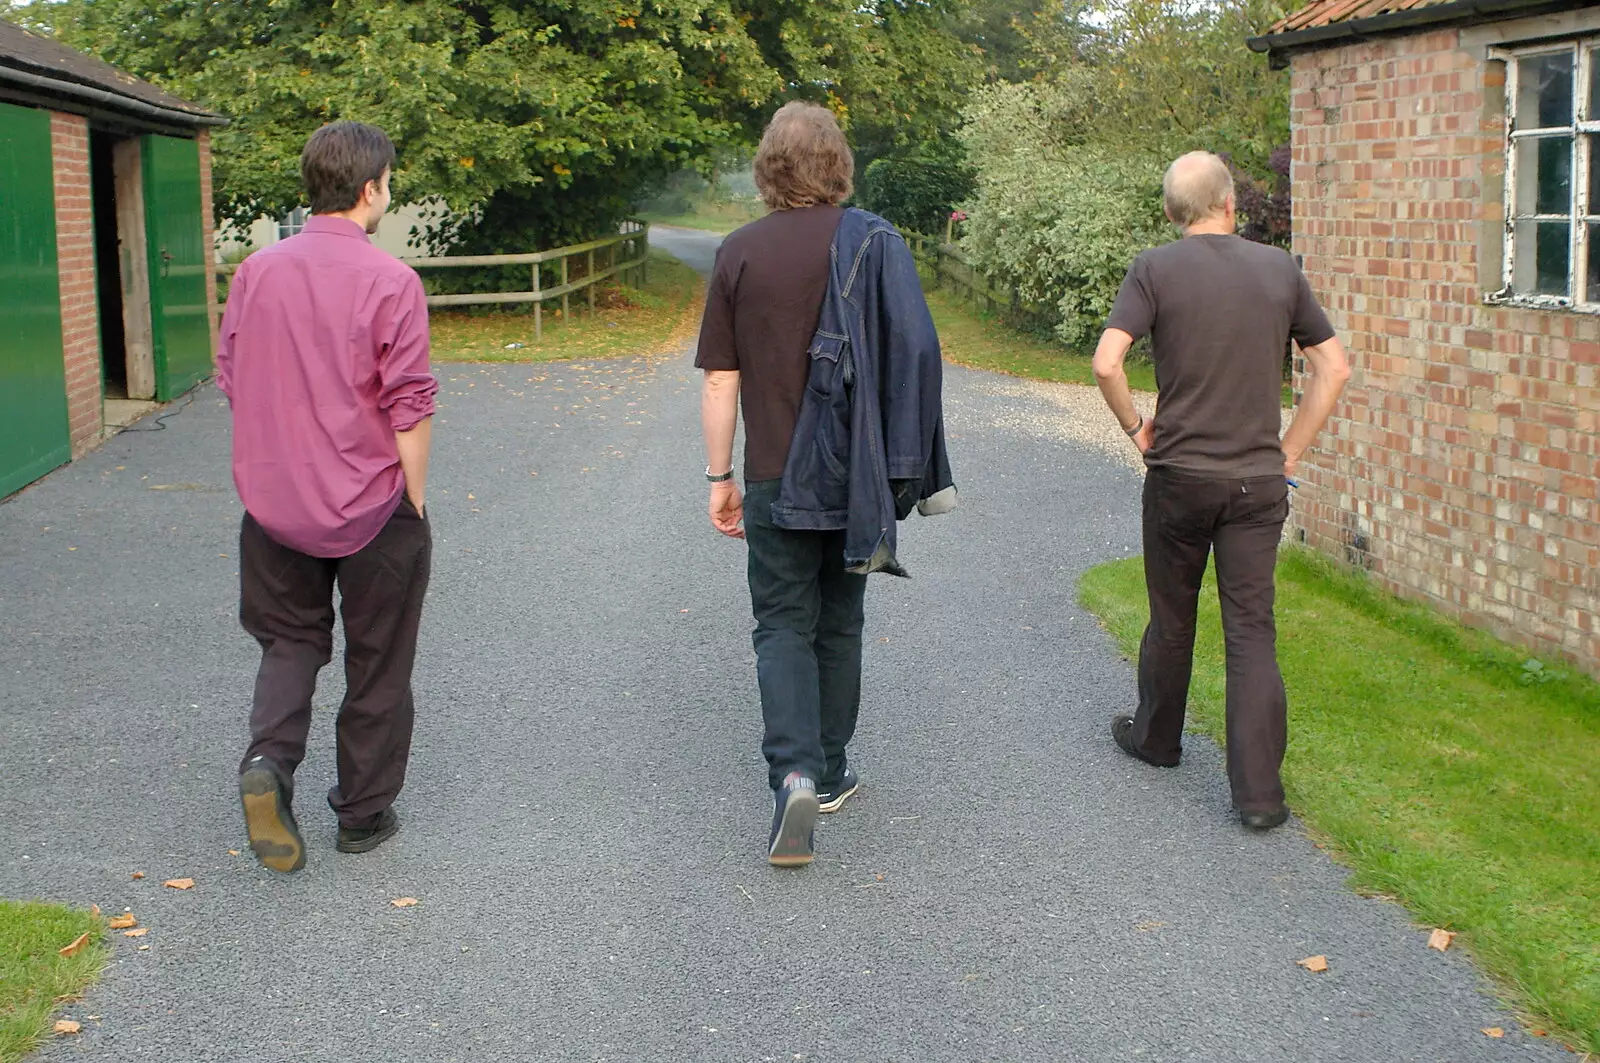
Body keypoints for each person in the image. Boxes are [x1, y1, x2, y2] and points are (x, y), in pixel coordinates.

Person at [696, 102, 953, 867]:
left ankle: (795, 772)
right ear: (838, 164)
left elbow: (720, 380)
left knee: (781, 622)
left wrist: (720, 476)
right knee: (839, 621)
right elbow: (919, 352)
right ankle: (833, 770)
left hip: (775, 474)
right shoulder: (876, 240)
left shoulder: (739, 252)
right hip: (855, 478)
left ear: (769, 167)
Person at [1091, 150, 1351, 830]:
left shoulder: (1154, 269)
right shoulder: (1280, 269)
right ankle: (1260, 796)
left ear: (1174, 213)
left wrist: (1136, 428)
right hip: (1257, 484)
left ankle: (1156, 738)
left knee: (1173, 615)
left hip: (1178, 478)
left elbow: (1106, 361)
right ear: (1231, 203)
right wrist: (1289, 449)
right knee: (1251, 629)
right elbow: (1335, 369)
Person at [216, 121, 437, 872]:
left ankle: (270, 763)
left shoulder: (255, 273)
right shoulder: (391, 281)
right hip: (372, 502)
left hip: (275, 502)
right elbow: (410, 401)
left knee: (291, 639)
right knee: (378, 657)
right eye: (389, 185)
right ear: (371, 188)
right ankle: (363, 814)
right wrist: (413, 497)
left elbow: (232, 377)